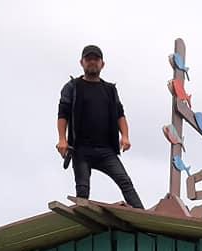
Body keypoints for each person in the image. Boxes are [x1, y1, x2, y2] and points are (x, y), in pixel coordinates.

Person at [56, 45, 144, 209]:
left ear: (102, 64)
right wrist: (62, 139)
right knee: (82, 189)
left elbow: (120, 114)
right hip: (81, 148)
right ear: (81, 63)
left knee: (125, 181)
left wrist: (125, 136)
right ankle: (82, 219)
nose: (92, 62)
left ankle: (144, 216)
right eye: (88, 59)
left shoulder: (109, 90)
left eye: (95, 60)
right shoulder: (73, 87)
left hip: (106, 150)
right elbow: (63, 114)